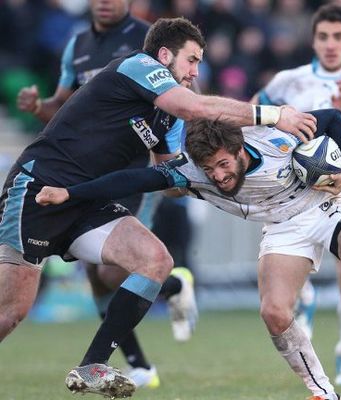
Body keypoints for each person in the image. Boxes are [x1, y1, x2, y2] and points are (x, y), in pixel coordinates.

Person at [37, 109, 341, 400]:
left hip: (321, 206)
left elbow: (330, 117)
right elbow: (131, 180)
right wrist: (71, 194)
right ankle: (322, 393)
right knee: (273, 312)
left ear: (239, 147)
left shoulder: (278, 138)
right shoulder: (192, 172)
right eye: (210, 169)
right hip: (281, 230)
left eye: (224, 164)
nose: (219, 176)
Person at [0, 16, 316, 399]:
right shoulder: (139, 66)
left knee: (155, 259)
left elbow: (170, 180)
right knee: (11, 312)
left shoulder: (167, 118)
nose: (196, 71)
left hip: (85, 200)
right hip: (39, 187)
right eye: (192, 60)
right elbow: (195, 106)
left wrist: (229, 182)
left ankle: (92, 366)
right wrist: (272, 115)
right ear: (165, 55)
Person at [15, 0, 187, 389]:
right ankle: (141, 348)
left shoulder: (145, 42)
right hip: (76, 179)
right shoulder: (77, 45)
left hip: (127, 180)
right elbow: (65, 109)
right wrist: (39, 106)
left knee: (117, 269)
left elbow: (175, 129)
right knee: (98, 278)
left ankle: (116, 361)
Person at [250, 4, 341, 386]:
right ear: (313, 41)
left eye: (338, 37)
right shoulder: (287, 82)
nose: (330, 45)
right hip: (292, 195)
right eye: (323, 37)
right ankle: (305, 299)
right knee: (284, 280)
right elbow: (250, 118)